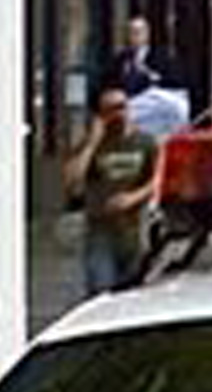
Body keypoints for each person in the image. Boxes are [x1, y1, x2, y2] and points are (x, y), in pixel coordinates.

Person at [64, 86, 160, 296]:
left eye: (122, 107)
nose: (118, 114)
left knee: (131, 293)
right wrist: (92, 143)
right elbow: (71, 181)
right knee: (101, 290)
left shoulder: (145, 142)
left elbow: (157, 180)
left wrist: (133, 198)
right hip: (101, 228)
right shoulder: (93, 143)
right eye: (110, 110)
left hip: (134, 230)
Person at [106, 16, 178, 98]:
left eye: (138, 32)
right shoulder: (121, 58)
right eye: (131, 32)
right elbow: (112, 82)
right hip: (126, 104)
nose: (135, 36)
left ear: (147, 34)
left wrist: (149, 75)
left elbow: (170, 82)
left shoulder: (160, 56)